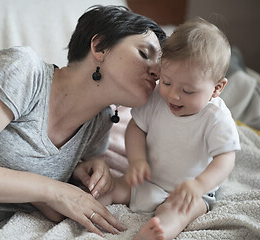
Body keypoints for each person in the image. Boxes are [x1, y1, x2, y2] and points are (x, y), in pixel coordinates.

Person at [0, 5, 166, 239]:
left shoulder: (100, 124)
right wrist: (53, 190)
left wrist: (86, 167)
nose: (156, 71)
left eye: (160, 66)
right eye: (145, 54)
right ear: (99, 47)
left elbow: (46, 187)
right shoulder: (24, 70)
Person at [98, 18, 241, 240]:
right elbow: (136, 128)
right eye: (166, 82)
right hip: (146, 180)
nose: (173, 95)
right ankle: (88, 205)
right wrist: (136, 160)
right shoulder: (157, 99)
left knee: (178, 213)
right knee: (115, 187)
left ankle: (158, 232)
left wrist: (199, 185)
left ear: (217, 88)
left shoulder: (215, 118)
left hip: (187, 194)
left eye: (188, 90)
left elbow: (225, 158)